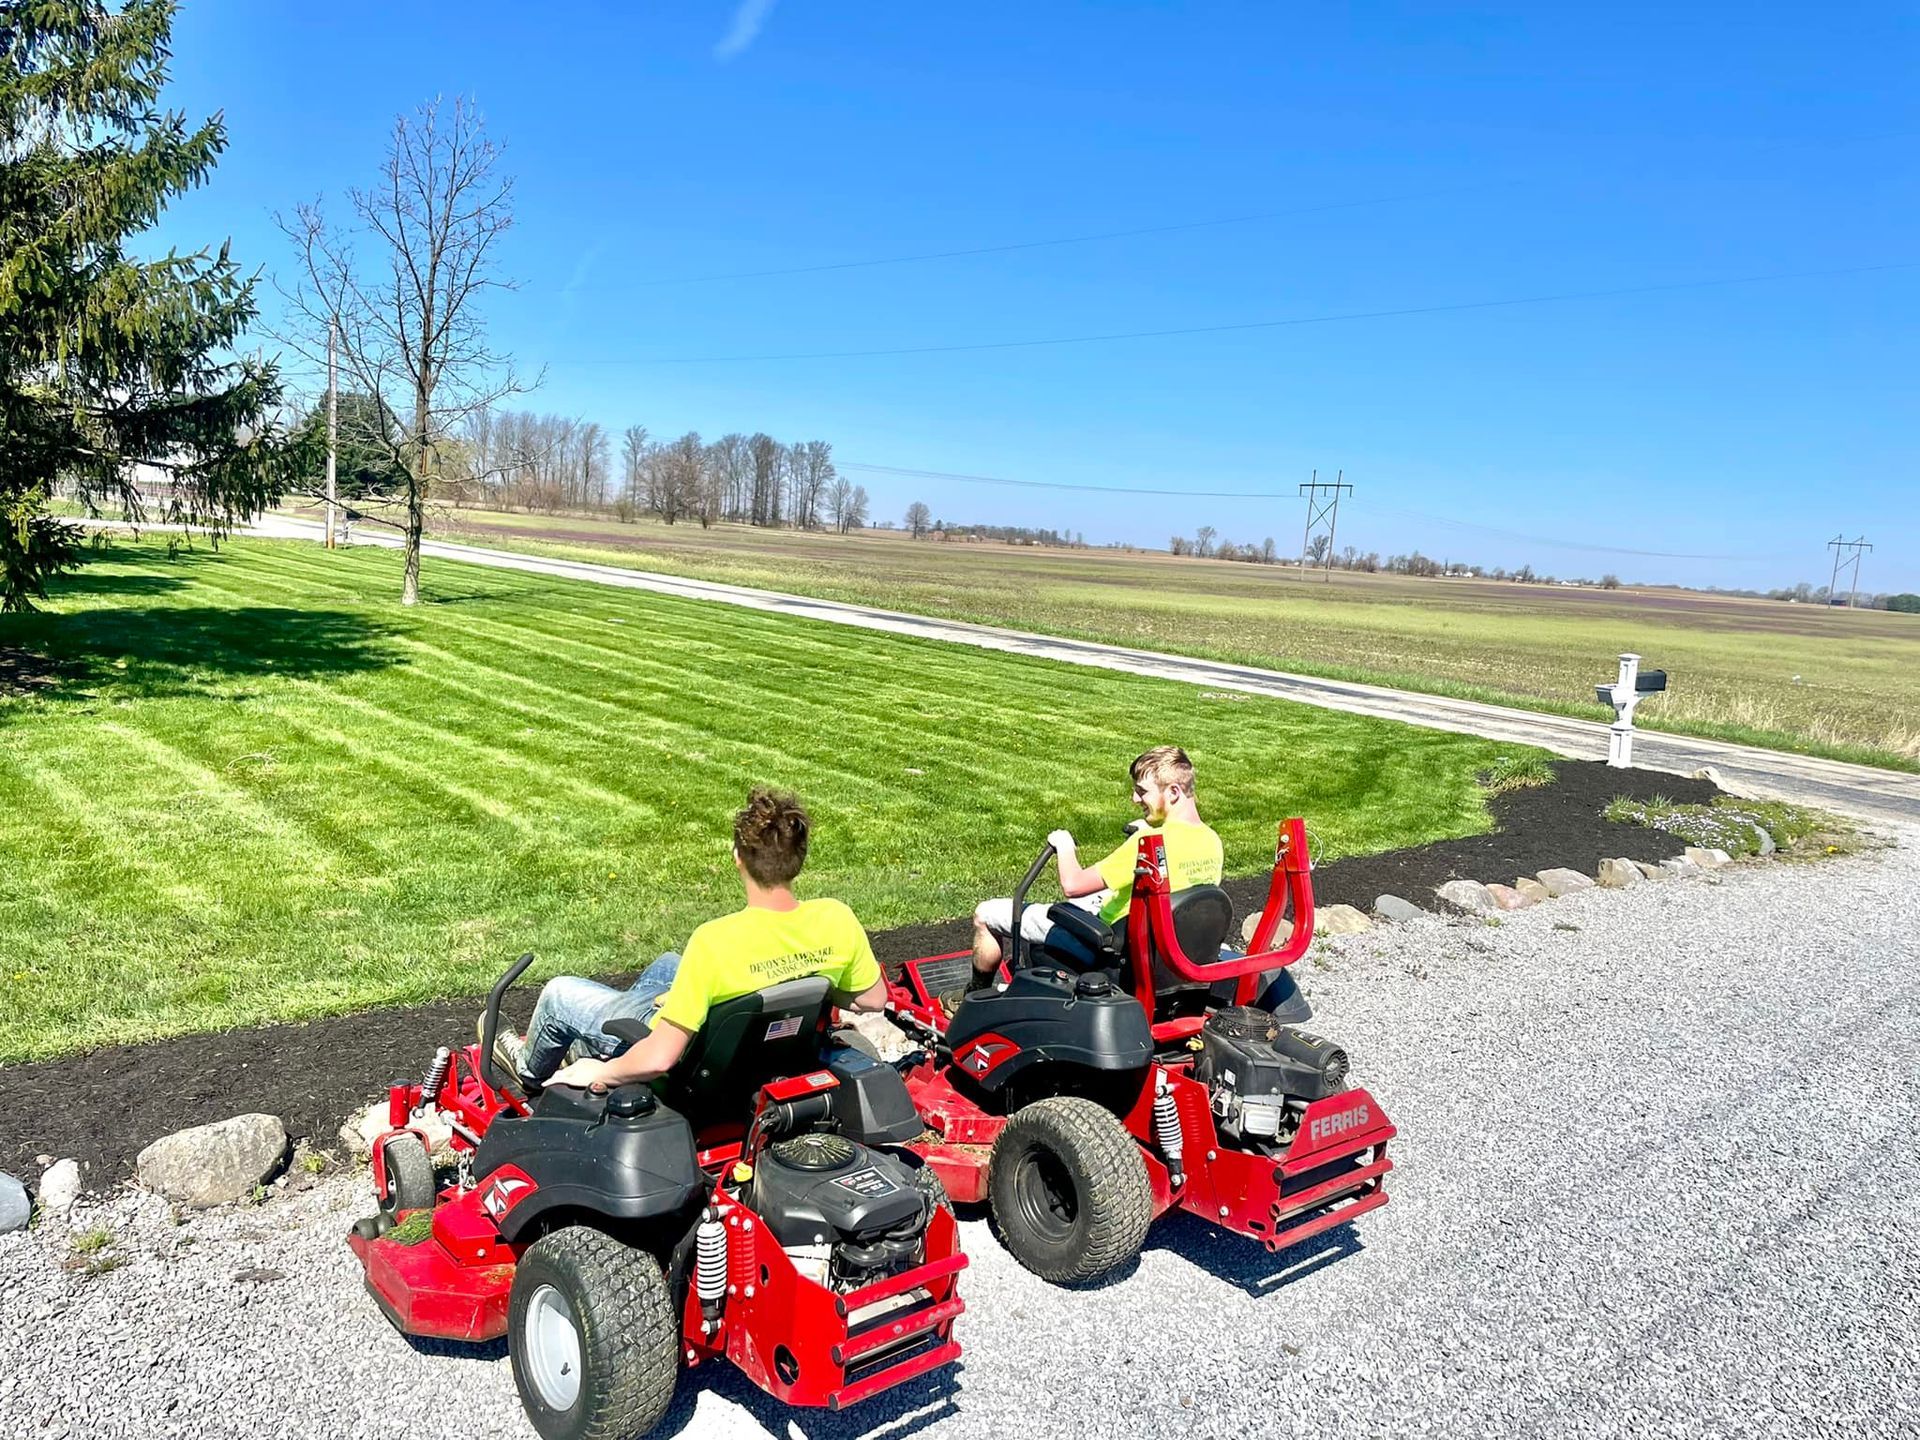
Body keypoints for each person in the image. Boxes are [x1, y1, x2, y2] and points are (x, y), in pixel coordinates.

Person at [490, 787, 887, 1092]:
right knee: (667, 964)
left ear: (738, 857)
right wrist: (809, 980)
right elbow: (873, 999)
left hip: (692, 1061)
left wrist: (602, 1072)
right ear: (799, 857)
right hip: (761, 1046)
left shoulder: (716, 941)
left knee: (560, 993)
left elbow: (660, 1058)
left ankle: (529, 1070)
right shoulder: (836, 918)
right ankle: (596, 1037)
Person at [960, 745, 1223, 994]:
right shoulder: (1211, 841)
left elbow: (1073, 885)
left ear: (1174, 793)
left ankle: (973, 997)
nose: (1135, 798)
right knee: (1088, 900)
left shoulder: (1146, 845)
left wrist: (1064, 845)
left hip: (1107, 946)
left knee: (986, 913)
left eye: (1142, 792)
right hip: (1163, 953)